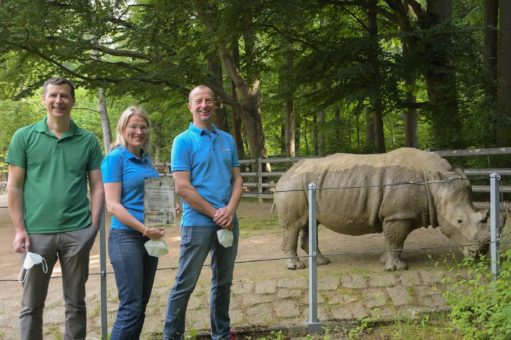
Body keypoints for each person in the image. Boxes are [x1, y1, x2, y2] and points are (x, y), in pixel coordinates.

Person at [6, 77, 104, 340]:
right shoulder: (24, 137)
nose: (58, 101)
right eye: (53, 96)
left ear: (73, 101)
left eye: (64, 96)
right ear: (44, 100)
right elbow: (14, 187)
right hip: (36, 236)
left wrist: (92, 228)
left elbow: (97, 186)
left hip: (77, 233)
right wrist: (19, 230)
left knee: (76, 304)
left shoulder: (88, 141)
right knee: (31, 306)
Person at [163, 85, 243, 340]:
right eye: (198, 101)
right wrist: (215, 213)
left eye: (208, 100)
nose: (204, 105)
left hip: (229, 221)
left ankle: (220, 334)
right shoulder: (183, 141)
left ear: (215, 104)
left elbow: (238, 179)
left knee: (223, 282)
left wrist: (229, 210)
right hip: (197, 223)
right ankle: (172, 335)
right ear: (190, 106)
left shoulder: (227, 140)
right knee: (185, 283)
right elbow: (182, 186)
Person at [101, 106, 165, 339]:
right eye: (133, 126)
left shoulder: (146, 159)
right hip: (125, 238)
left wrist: (166, 209)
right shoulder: (114, 159)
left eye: (143, 127)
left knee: (141, 305)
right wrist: (145, 229)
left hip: (148, 238)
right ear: (123, 128)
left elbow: (148, 197)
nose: (139, 131)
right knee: (130, 306)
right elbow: (113, 205)